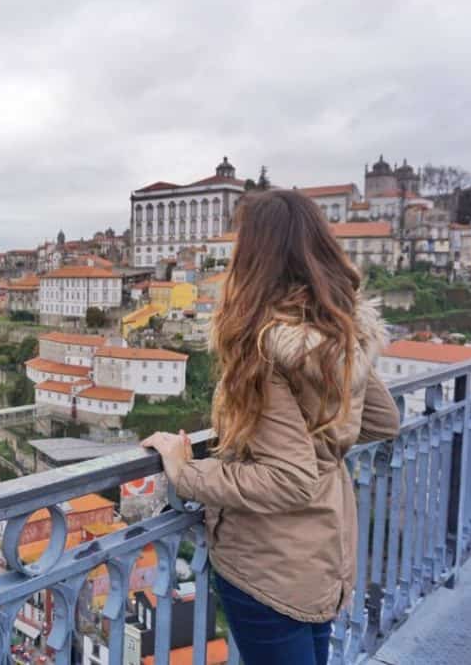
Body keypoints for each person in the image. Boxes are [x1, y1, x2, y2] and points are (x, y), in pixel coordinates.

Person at [142, 190, 400, 665]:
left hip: (269, 563)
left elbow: (288, 479)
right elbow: (383, 421)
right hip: (323, 552)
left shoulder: (263, 349)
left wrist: (184, 471)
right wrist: (323, 430)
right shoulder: (335, 339)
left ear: (253, 258)